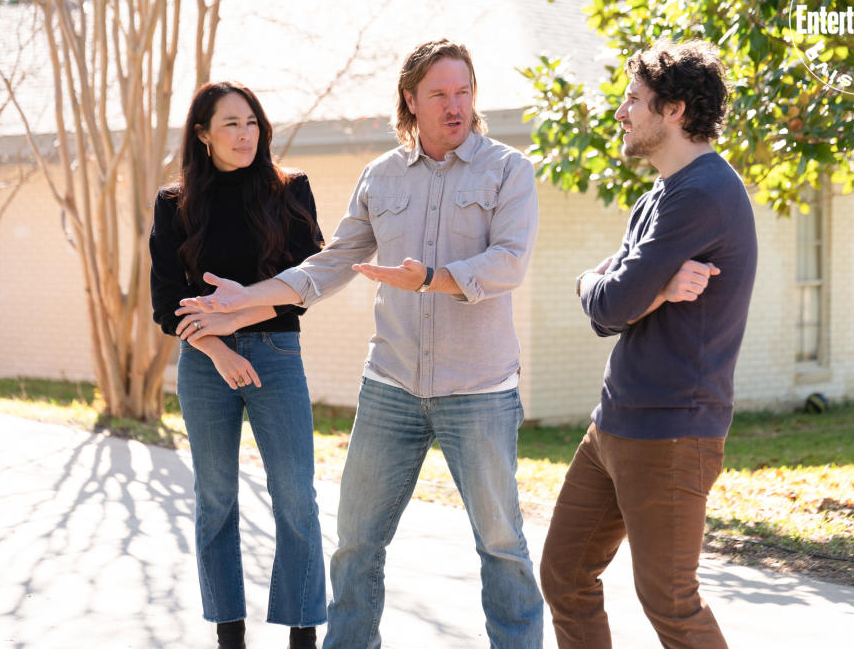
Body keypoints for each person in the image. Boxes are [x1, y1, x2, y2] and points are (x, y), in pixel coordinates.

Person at [179, 39, 544, 649]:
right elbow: (332, 262)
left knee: (501, 544)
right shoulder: (380, 176)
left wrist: (430, 278)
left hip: (477, 388)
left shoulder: (508, 169)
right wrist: (244, 299)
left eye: (464, 92)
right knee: (354, 543)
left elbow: (508, 263)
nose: (455, 105)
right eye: (439, 94)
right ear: (411, 99)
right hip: (391, 386)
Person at [540, 39, 758, 649]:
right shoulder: (659, 196)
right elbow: (603, 294)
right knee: (564, 575)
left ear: (675, 111)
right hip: (613, 423)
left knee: (669, 599)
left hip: (671, 429)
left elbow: (611, 302)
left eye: (633, 99)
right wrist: (647, 290)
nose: (621, 112)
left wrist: (629, 291)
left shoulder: (702, 193)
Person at [149, 81, 327, 649]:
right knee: (216, 496)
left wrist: (239, 315)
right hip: (205, 365)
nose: (244, 134)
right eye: (229, 124)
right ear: (202, 135)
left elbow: (310, 281)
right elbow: (165, 301)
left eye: (251, 122)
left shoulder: (290, 190)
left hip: (278, 357)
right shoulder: (175, 203)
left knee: (296, 492)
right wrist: (218, 347)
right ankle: (230, 632)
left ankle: (302, 632)